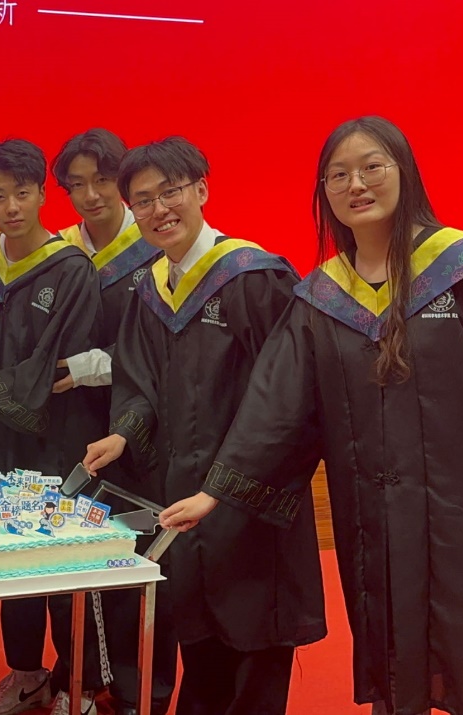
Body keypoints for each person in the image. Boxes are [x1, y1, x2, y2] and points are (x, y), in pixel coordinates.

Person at [161, 116, 463, 715]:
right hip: (376, 514)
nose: (355, 184)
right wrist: (217, 491)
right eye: (337, 175)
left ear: (404, 171)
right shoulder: (323, 297)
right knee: (392, 637)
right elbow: (277, 404)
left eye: (371, 167)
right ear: (324, 193)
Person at [82, 137, 326, 715]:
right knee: (200, 631)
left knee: (253, 635)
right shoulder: (152, 289)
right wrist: (124, 432)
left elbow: (288, 396)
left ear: (201, 189)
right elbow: (141, 381)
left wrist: (226, 486)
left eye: (170, 192)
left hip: (249, 495)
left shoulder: (253, 277)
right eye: (144, 201)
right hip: (183, 490)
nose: (159, 210)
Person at [0, 139, 107, 715]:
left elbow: (56, 362)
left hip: (60, 434)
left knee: (63, 557)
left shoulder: (72, 269)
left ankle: (78, 683)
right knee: (11, 554)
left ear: (41, 194)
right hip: (0, 437)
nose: (10, 207)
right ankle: (27, 674)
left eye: (22, 193)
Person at [51, 129, 172, 715]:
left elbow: (164, 349)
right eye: (76, 185)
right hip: (73, 428)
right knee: (72, 556)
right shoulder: (59, 252)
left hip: (141, 428)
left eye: (102, 180)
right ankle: (76, 675)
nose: (91, 195)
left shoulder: (157, 249)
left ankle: (136, 687)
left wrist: (90, 368)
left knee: (135, 556)